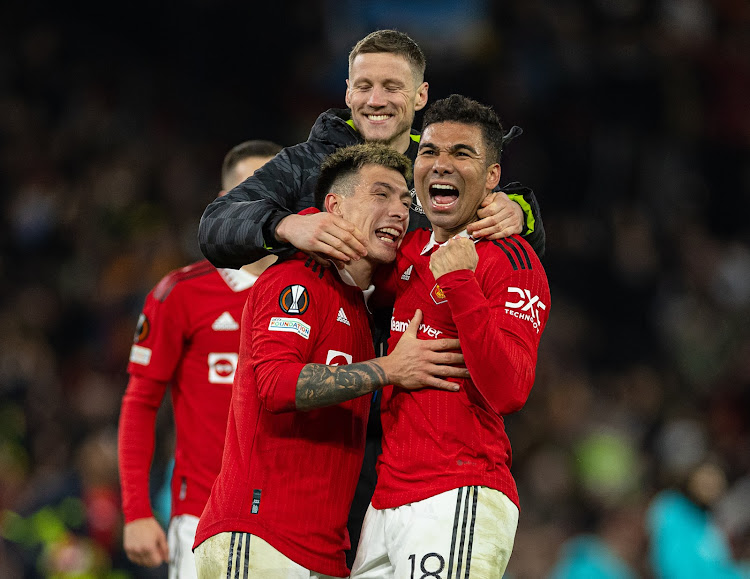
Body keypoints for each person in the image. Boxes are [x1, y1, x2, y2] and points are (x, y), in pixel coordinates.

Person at [196, 29, 546, 565]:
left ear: (420, 97)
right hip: (339, 400)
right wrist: (286, 225)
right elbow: (216, 226)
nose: (376, 99)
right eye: (364, 86)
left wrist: (521, 209)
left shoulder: (435, 168)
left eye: (391, 86)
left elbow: (507, 256)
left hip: (407, 428)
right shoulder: (306, 166)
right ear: (347, 91)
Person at [193, 143, 469, 579]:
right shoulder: (296, 279)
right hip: (260, 538)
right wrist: (389, 369)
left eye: (404, 200)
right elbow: (277, 385)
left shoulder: (361, 310)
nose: (399, 211)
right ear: (334, 206)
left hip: (322, 553)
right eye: (381, 194)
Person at [349, 95, 551, 578]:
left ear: (493, 178)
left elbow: (509, 390)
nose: (442, 164)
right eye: (431, 152)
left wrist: (460, 283)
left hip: (458, 492)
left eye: (462, 153)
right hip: (387, 500)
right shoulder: (407, 251)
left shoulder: (512, 261)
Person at [117, 139, 283, 578]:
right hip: (203, 514)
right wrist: (136, 510)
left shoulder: (317, 289)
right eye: (252, 189)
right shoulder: (181, 294)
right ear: (224, 204)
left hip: (296, 520)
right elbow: (140, 403)